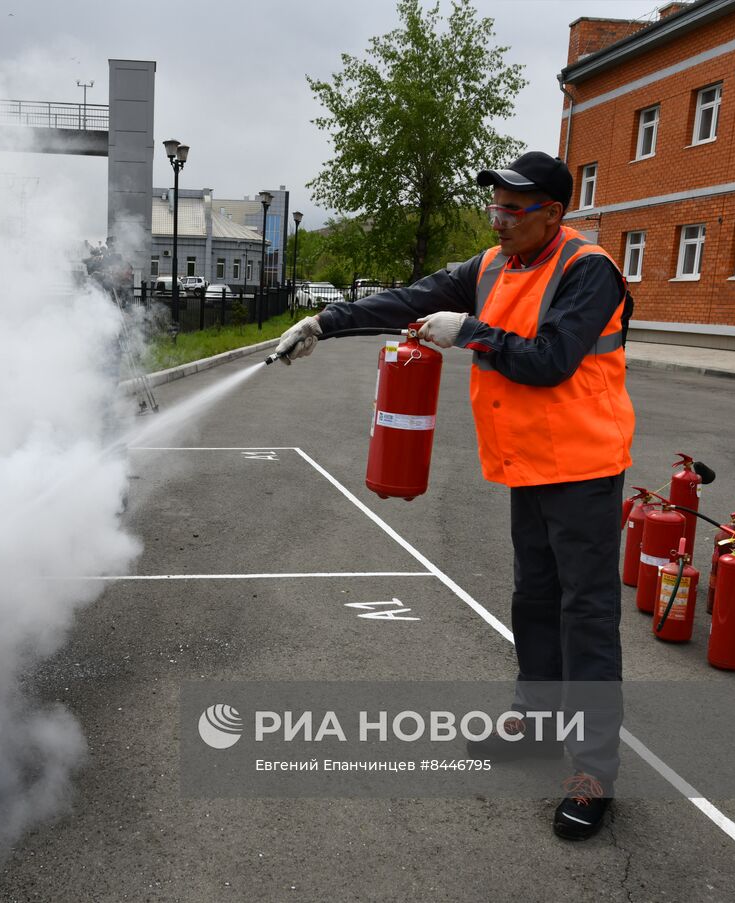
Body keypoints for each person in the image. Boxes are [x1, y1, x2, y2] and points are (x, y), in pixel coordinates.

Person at [274, 151, 634, 841]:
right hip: (526, 465)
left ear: (553, 214)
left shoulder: (589, 271)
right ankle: (533, 722)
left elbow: (552, 359)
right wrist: (325, 324)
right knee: (533, 597)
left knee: (584, 613)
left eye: (512, 208)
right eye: (494, 205)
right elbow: (409, 298)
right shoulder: (492, 264)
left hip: (583, 468)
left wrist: (470, 331)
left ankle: (593, 772)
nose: (498, 218)